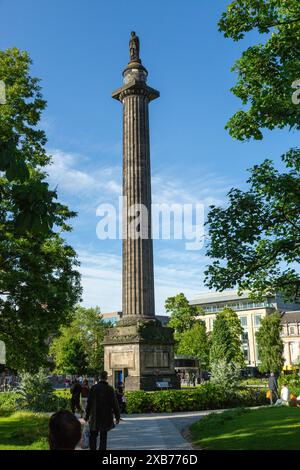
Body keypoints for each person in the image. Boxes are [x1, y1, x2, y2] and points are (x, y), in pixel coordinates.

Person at [85, 371, 120, 451]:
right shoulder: (110, 389)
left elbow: (89, 403)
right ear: (106, 377)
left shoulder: (93, 388)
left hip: (95, 415)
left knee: (93, 435)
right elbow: (114, 404)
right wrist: (117, 416)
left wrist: (87, 416)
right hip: (106, 416)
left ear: (99, 377)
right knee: (103, 436)